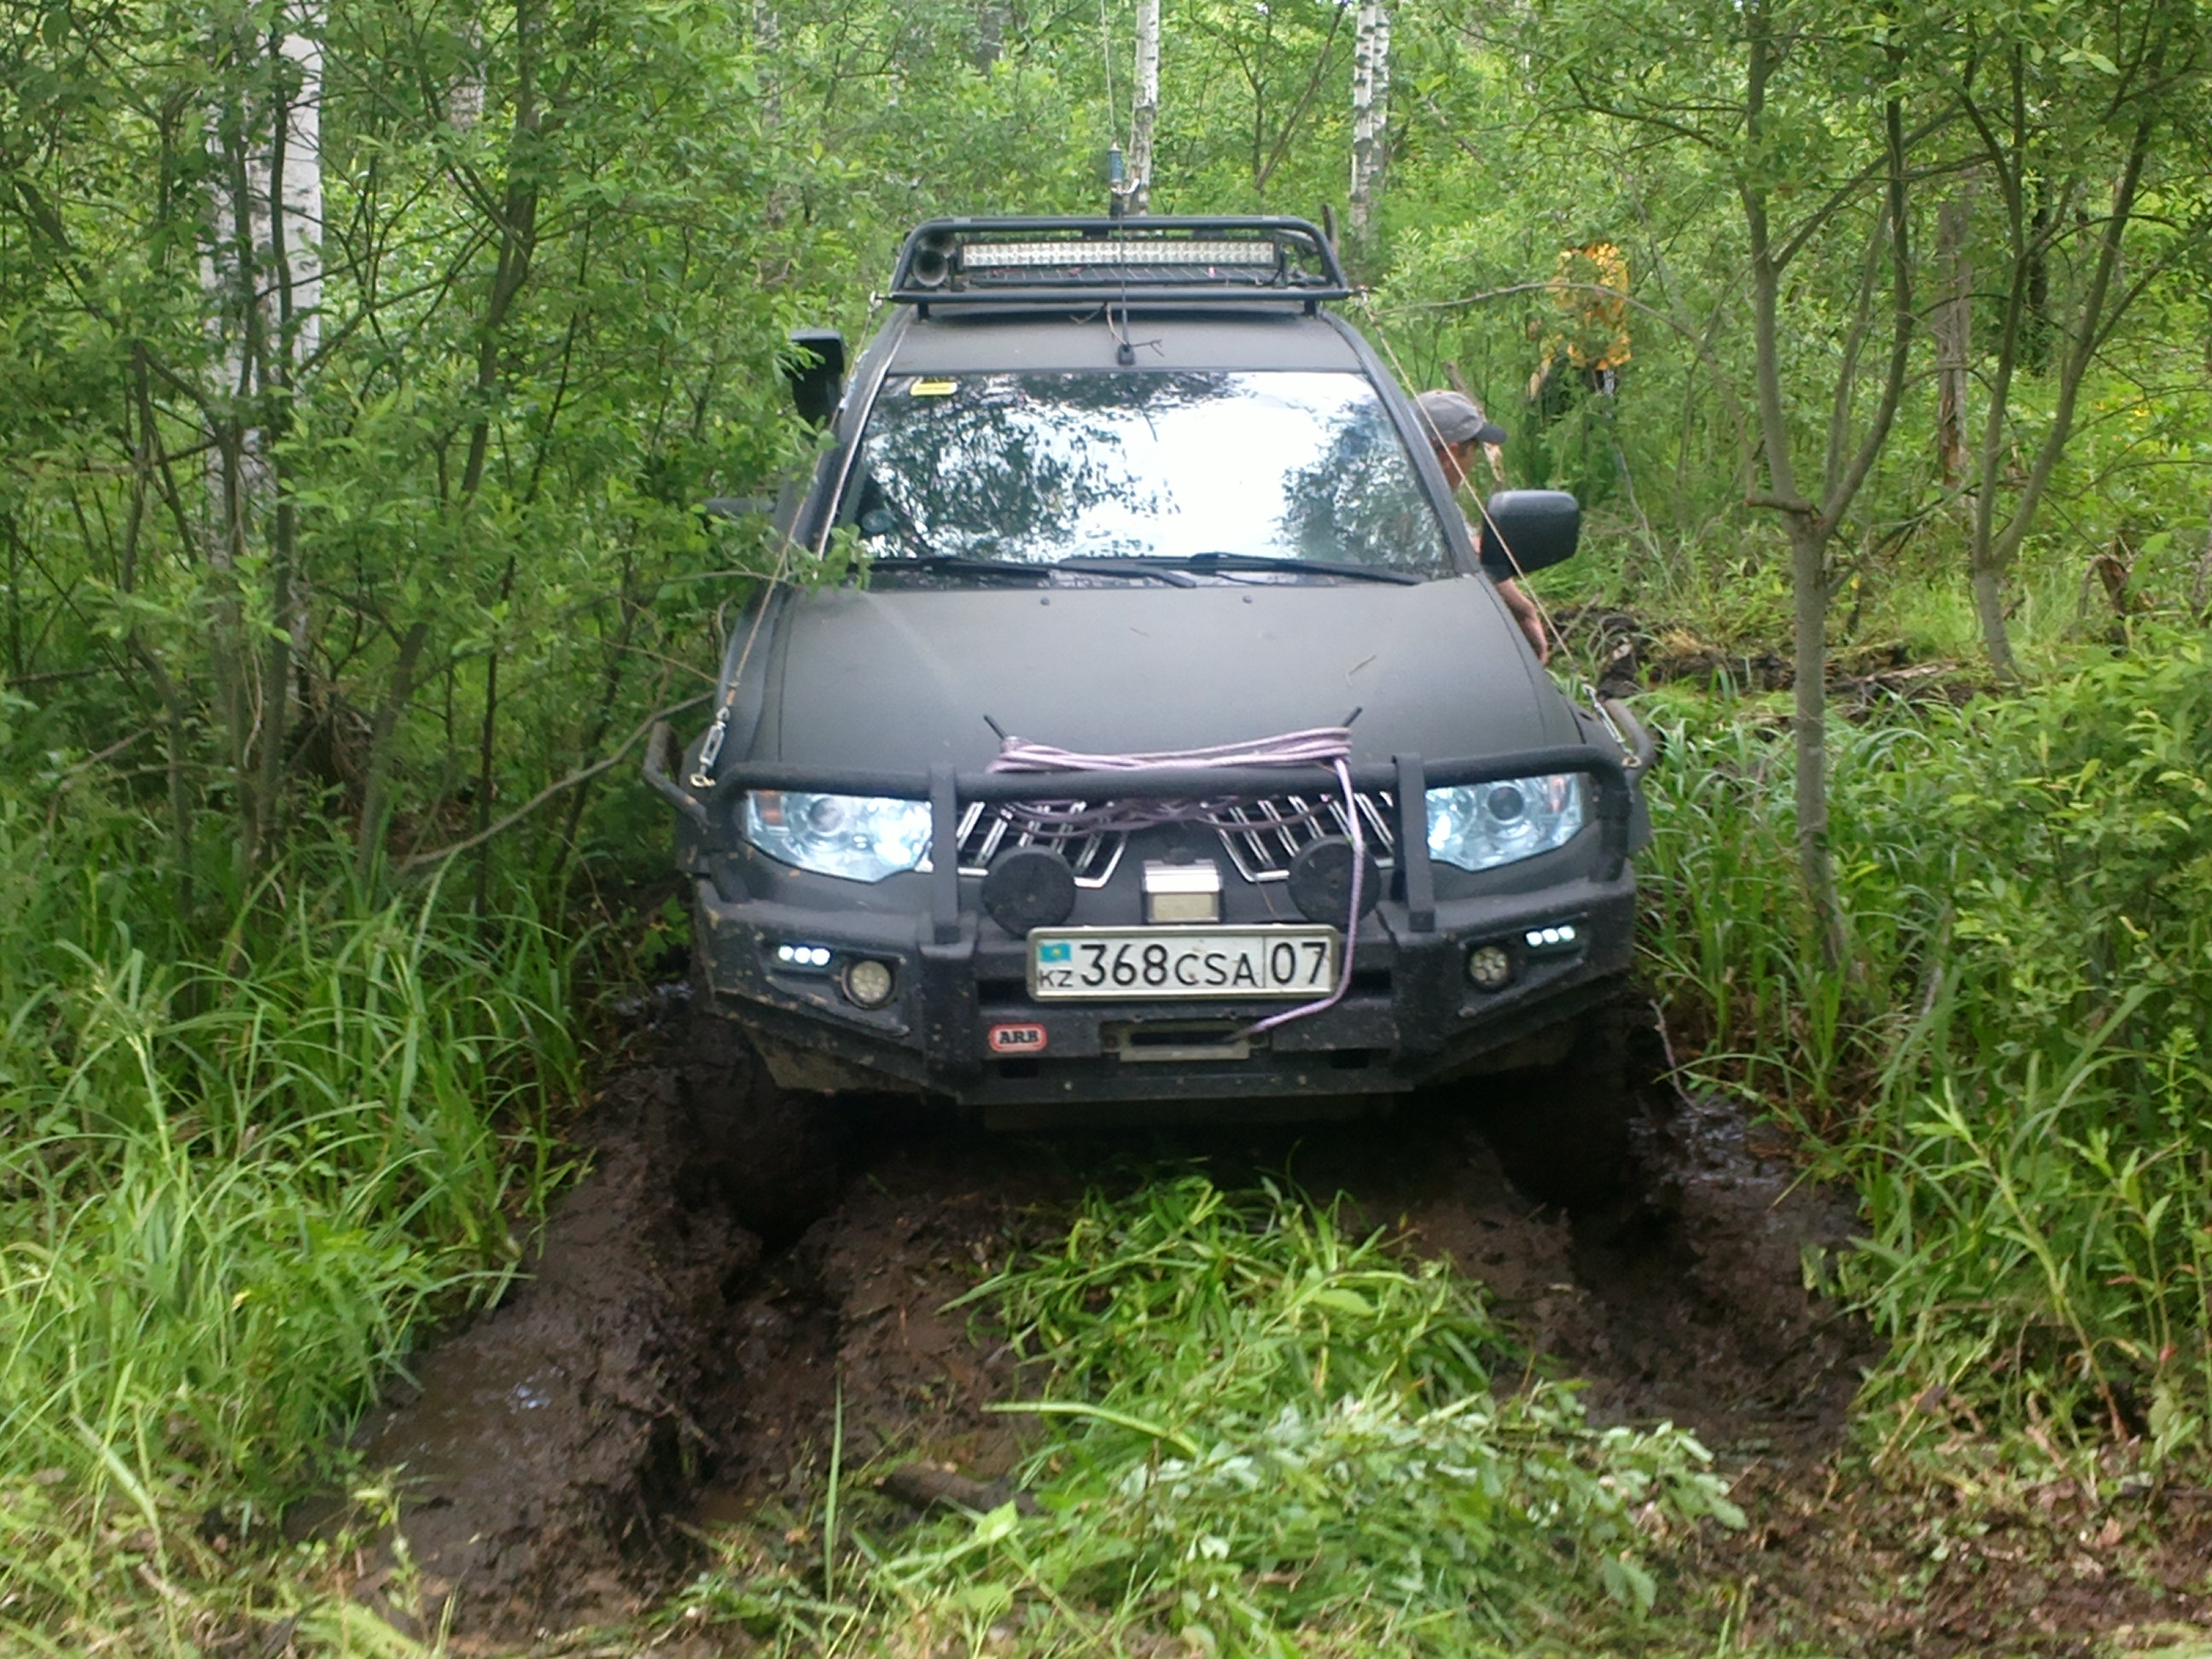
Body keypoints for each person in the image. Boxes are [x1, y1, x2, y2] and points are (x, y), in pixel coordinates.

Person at [1413, 389, 1550, 664]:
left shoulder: (1379, 480)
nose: (1472, 464)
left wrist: (1522, 608)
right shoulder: (1418, 506)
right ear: (1451, 453)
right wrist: (1523, 612)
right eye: (1474, 450)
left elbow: (1469, 547)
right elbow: (1471, 555)